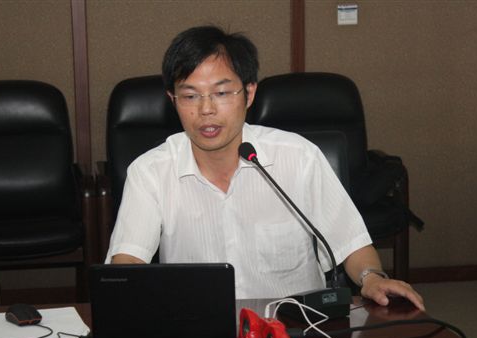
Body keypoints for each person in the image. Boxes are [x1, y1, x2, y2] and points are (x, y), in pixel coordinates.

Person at [106, 26, 424, 311]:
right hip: (199, 333)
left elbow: (351, 244)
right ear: (172, 99)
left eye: (221, 93)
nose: (206, 110)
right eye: (190, 96)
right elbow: (128, 259)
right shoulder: (150, 172)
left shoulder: (298, 157)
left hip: (298, 327)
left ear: (249, 93)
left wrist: (371, 278)